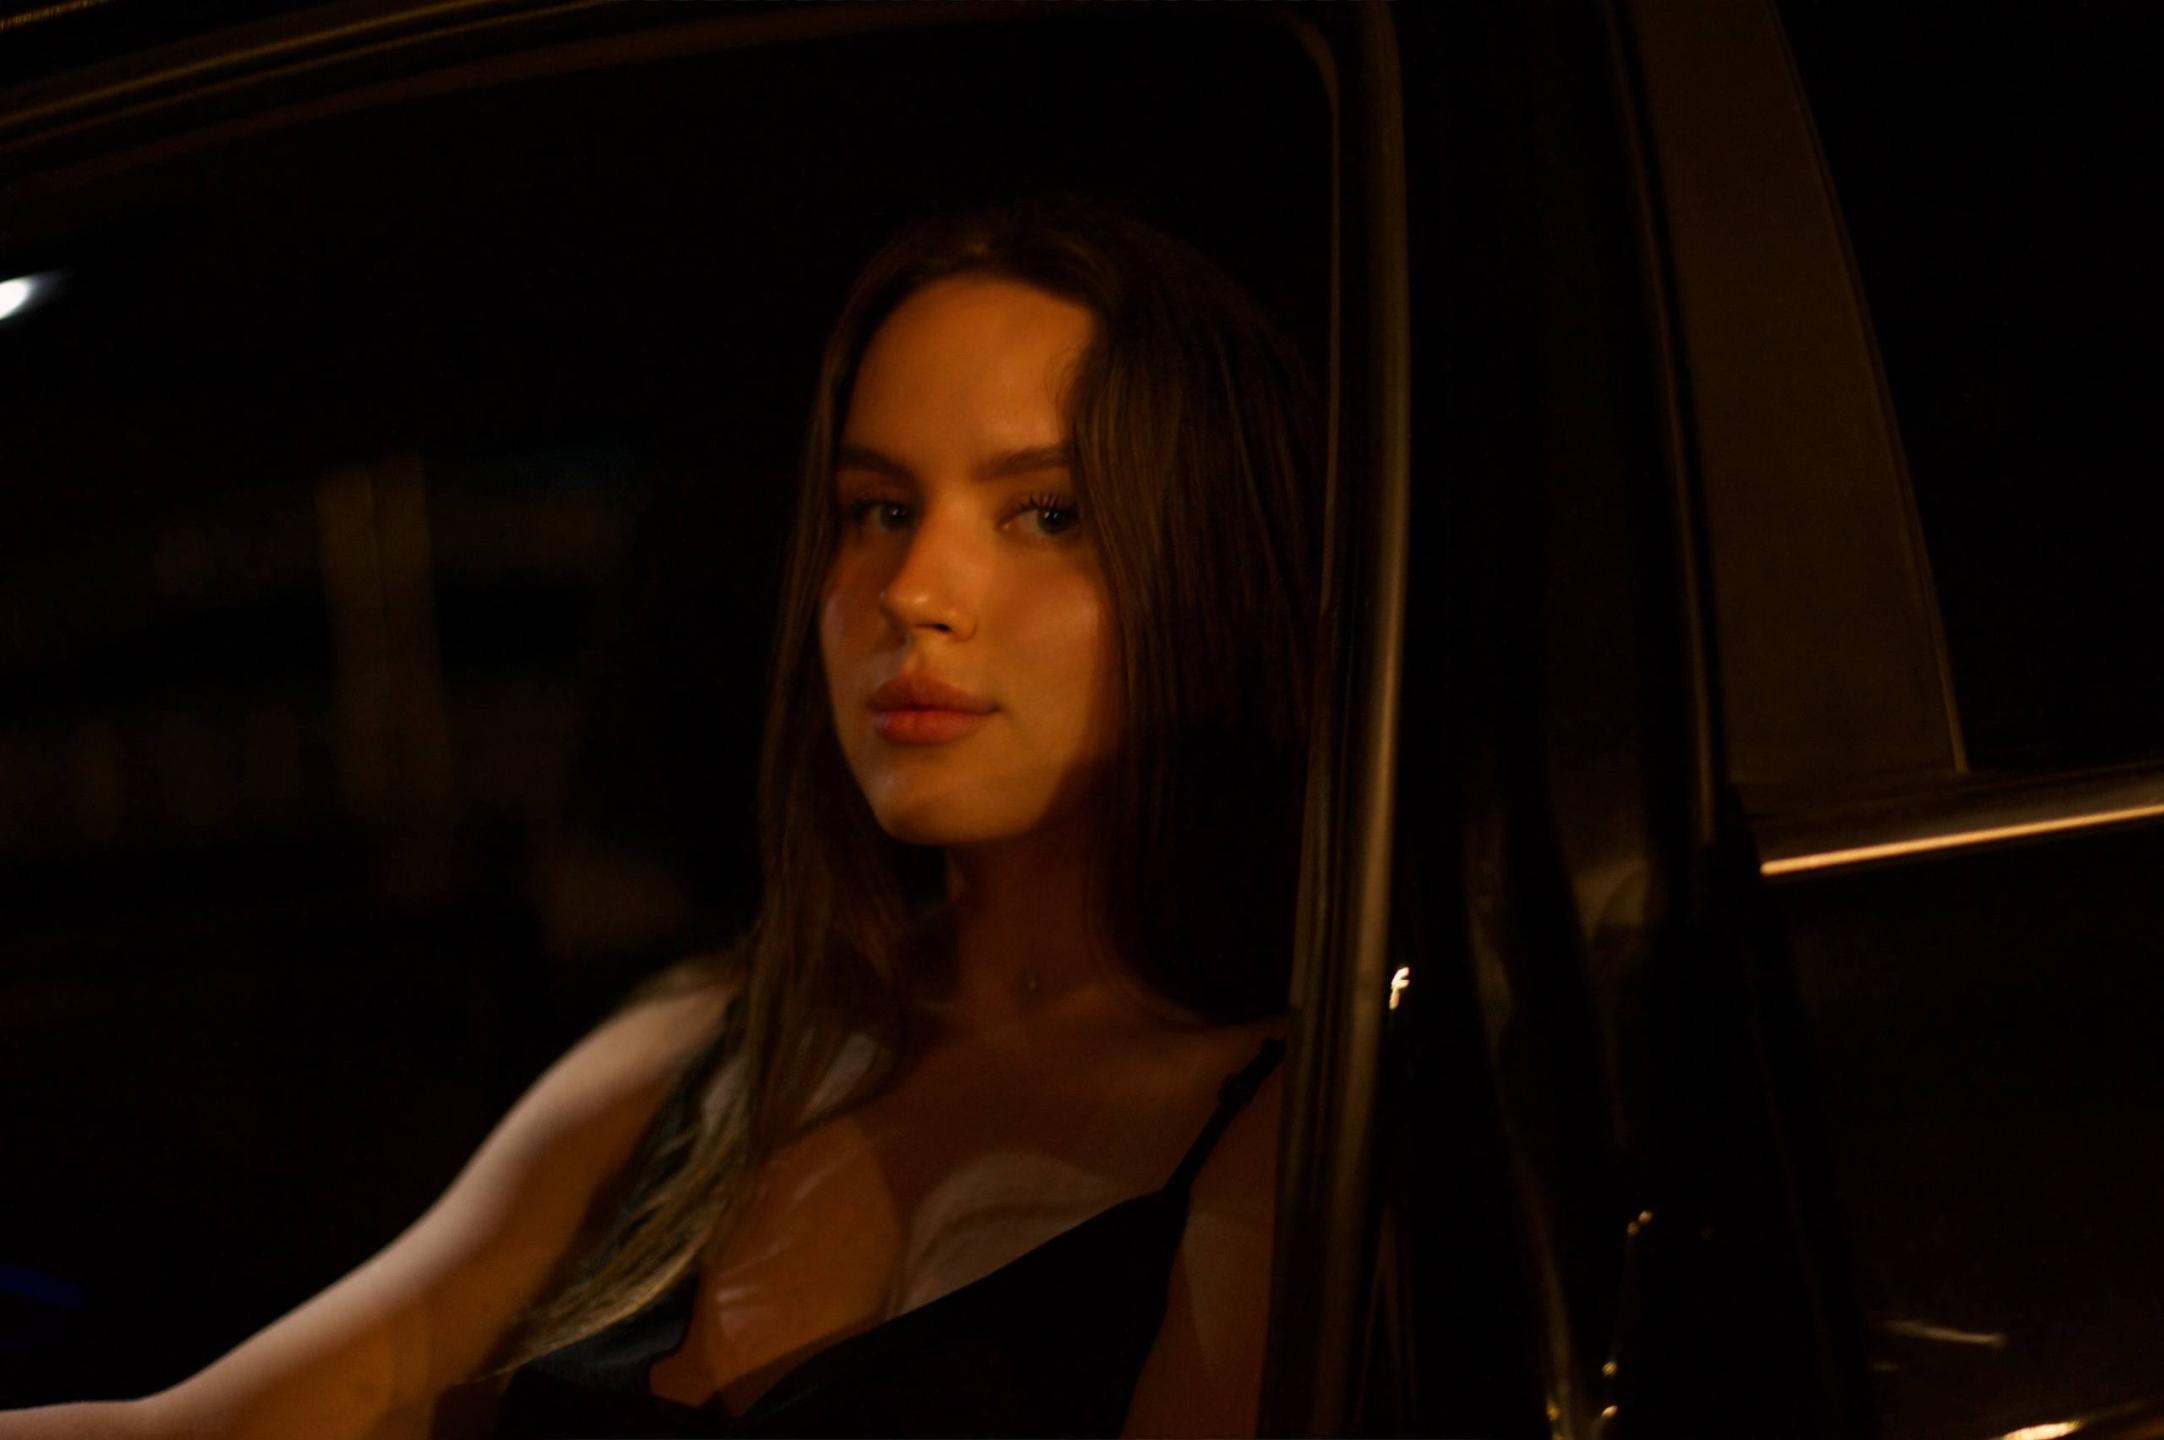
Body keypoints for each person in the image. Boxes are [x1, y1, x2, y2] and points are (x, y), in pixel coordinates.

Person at [0, 196, 1322, 1439]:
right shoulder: (716, 1041)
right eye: (877, 510)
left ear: (1204, 560)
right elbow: (229, 1424)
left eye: (1046, 513)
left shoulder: (1283, 1134)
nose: (913, 589)